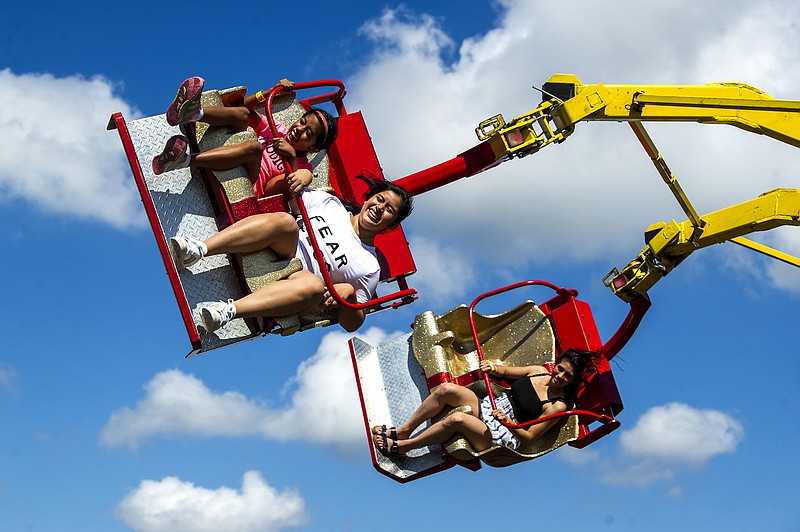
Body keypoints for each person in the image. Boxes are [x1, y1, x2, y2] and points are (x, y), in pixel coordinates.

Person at [169, 175, 413, 333]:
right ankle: (199, 249)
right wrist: (299, 177)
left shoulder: (370, 266)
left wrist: (347, 295)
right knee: (286, 221)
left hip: (302, 275)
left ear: (391, 225)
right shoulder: (330, 204)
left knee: (315, 286)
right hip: (287, 244)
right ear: (369, 198)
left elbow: (353, 323)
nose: (379, 208)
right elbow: (278, 189)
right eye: (379, 200)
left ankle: (227, 311)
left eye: (389, 210)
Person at [371, 349, 592, 458]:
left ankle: (405, 447)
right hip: (491, 406)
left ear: (572, 381)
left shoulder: (558, 406)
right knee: (446, 389)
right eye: (560, 369)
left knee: (456, 419)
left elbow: (530, 436)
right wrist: (493, 368)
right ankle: (403, 431)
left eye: (568, 376)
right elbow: (506, 371)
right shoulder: (538, 372)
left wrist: (508, 422)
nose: (560, 376)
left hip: (503, 434)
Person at [151, 76, 338, 198]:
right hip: (240, 153)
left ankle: (185, 160)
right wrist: (271, 90)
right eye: (302, 122)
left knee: (255, 148)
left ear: (313, 148)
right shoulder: (278, 128)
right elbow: (245, 109)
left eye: (308, 133)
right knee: (244, 116)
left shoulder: (302, 166)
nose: (299, 129)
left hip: (252, 182)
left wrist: (290, 158)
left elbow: (274, 191)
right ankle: (192, 114)